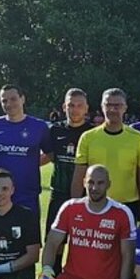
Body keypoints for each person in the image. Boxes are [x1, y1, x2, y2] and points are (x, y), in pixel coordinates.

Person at [73, 87, 140, 219]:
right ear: (102, 107)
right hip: (96, 203)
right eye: (108, 105)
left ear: (125, 107)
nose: (113, 109)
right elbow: (79, 174)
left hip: (128, 205)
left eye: (117, 105)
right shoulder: (88, 137)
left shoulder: (138, 138)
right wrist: (74, 207)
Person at [0, 84, 52, 220]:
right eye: (4, 101)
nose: (9, 104)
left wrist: (31, 162)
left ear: (22, 99)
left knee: (29, 233)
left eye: (13, 99)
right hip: (0, 195)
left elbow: (50, 154)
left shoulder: (39, 127)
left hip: (28, 195)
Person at [46, 88, 93, 226]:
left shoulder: (93, 133)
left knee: (80, 235)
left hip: (85, 195)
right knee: (54, 235)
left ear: (86, 108)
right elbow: (48, 156)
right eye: (71, 105)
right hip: (58, 192)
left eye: (79, 106)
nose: (75, 109)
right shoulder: (54, 130)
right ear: (64, 107)